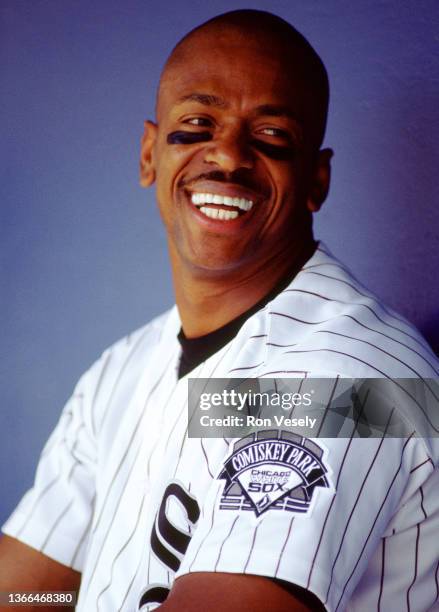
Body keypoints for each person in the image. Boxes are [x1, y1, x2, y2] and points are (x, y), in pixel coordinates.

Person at [1, 9, 438, 612]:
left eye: (272, 136)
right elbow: (32, 593)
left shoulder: (351, 377)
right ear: (150, 154)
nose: (227, 156)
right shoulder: (121, 371)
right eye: (198, 123)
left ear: (316, 179)